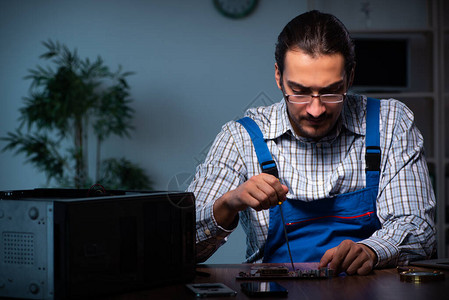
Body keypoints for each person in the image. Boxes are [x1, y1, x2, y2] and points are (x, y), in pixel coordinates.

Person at [187, 10, 436, 275]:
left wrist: (372, 250)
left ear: (349, 78)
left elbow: (419, 229)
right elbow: (182, 246)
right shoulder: (241, 138)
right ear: (278, 77)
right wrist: (228, 204)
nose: (315, 110)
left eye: (330, 91)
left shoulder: (390, 123)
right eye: (300, 91)